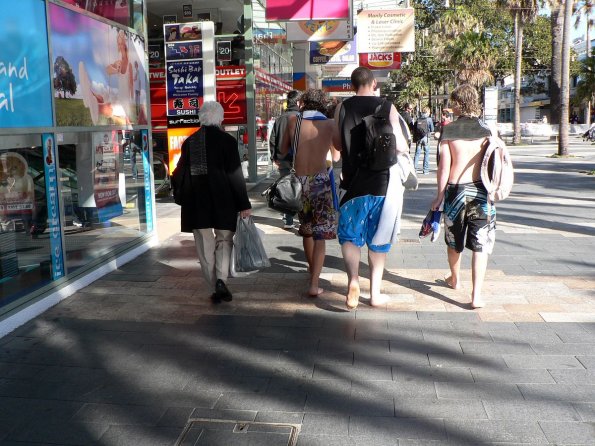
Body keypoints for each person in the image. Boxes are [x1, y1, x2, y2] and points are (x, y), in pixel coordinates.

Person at [333, 67, 410, 309]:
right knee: (378, 239)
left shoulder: (342, 107)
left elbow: (336, 144)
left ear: (351, 85)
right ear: (374, 83)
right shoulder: (387, 106)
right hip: (382, 183)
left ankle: (353, 281)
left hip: (352, 182)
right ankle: (374, 293)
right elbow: (402, 146)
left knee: (349, 236)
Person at [177, 101, 252, 303]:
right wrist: (244, 203)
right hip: (224, 200)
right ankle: (221, 279)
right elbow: (235, 175)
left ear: (201, 118)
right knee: (224, 240)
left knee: (204, 244)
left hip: (196, 201)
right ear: (220, 119)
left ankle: (214, 284)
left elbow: (179, 174)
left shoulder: (190, 142)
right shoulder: (227, 141)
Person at [430, 84, 495, 309]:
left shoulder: (449, 131)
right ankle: (476, 295)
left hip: (456, 191)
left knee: (453, 240)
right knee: (480, 243)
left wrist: (439, 195)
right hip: (481, 191)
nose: (451, 107)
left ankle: (454, 278)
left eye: (453, 103)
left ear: (459, 103)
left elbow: (444, 169)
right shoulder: (487, 130)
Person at [279, 89, 340, 297]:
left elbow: (283, 149)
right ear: (323, 104)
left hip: (299, 181)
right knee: (320, 234)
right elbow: (337, 156)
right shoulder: (329, 124)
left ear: (303, 103)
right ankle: (314, 283)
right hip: (320, 180)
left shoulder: (294, 121)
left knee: (306, 229)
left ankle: (311, 269)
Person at [269, 90, 302, 229]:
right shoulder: (301, 118)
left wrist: (274, 157)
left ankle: (288, 220)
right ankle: (302, 220)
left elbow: (273, 139)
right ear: (299, 102)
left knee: (287, 189)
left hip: (283, 160)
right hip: (300, 161)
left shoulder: (280, 119)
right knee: (301, 189)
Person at [413, 106, 435, 175]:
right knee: (426, 154)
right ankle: (425, 170)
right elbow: (432, 129)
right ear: (428, 112)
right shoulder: (429, 119)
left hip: (419, 138)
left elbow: (414, 128)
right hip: (426, 138)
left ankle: (414, 169)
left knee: (417, 154)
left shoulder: (418, 119)